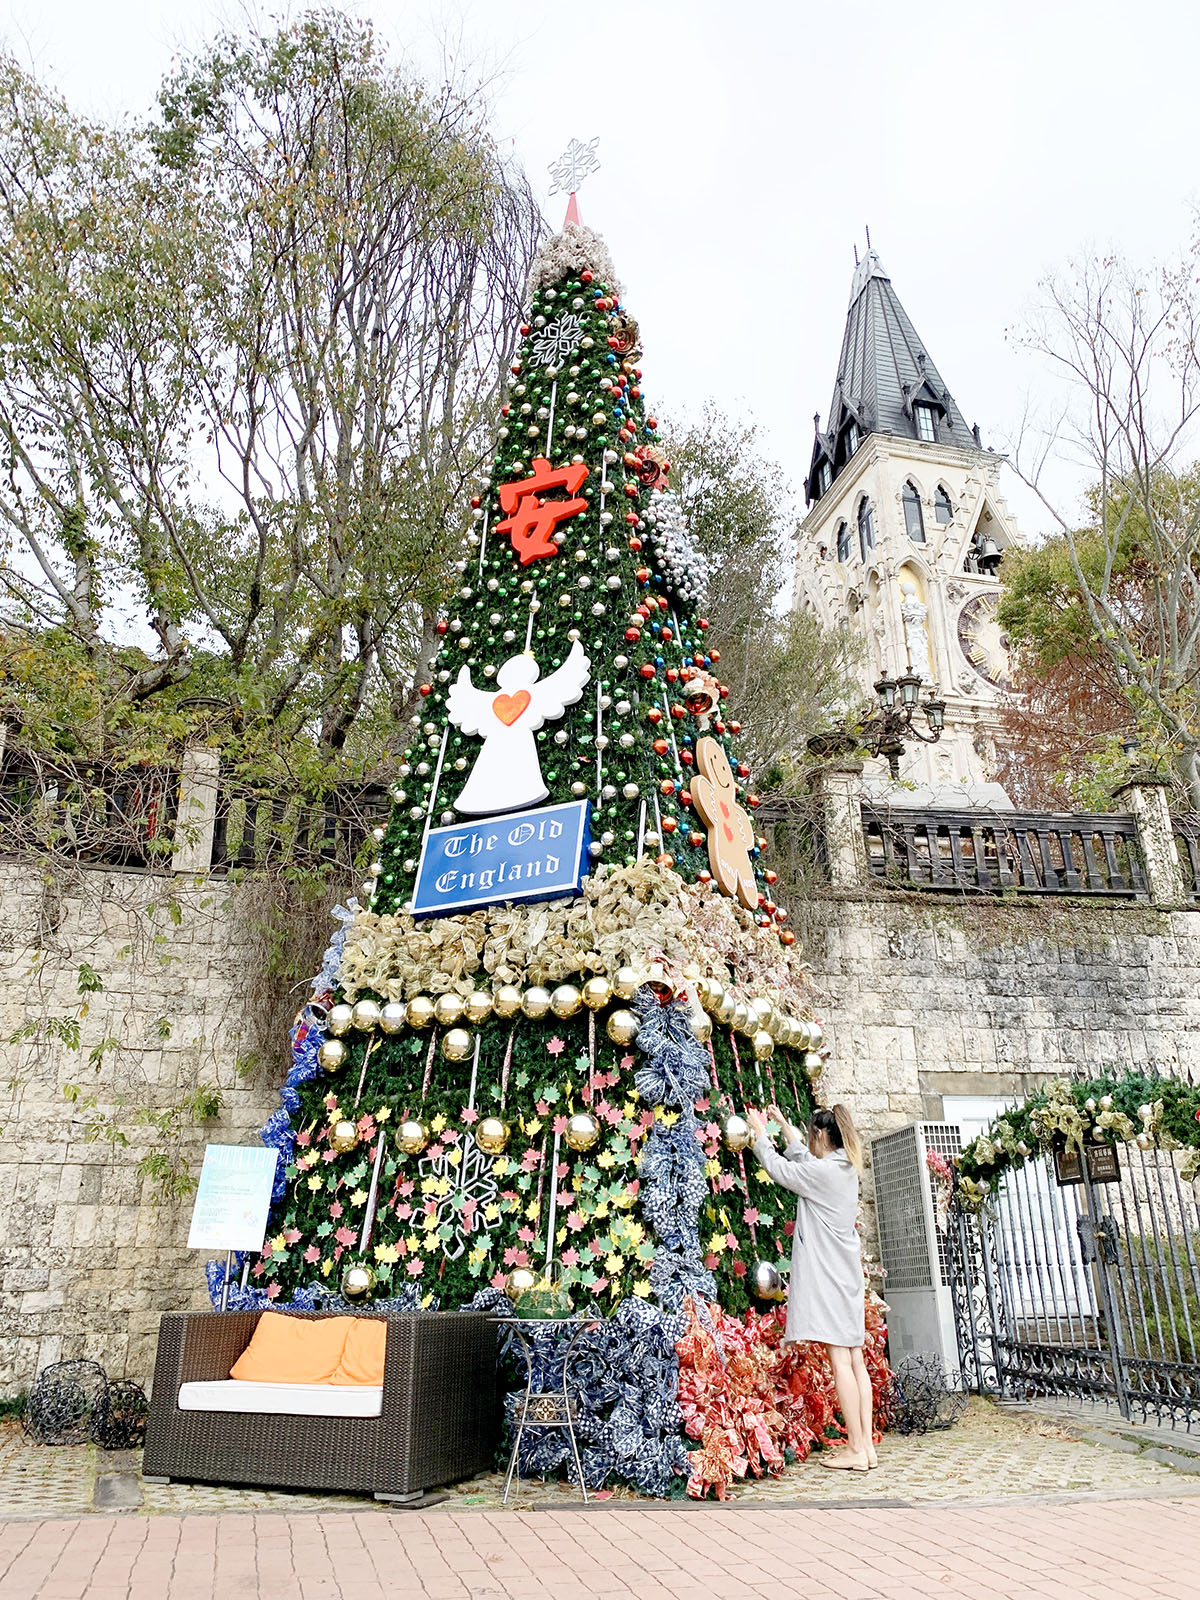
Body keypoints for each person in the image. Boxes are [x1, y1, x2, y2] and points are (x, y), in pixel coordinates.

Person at [744, 1102, 876, 1472]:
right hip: (846, 1278)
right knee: (855, 1358)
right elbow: (806, 1160)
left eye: (809, 1136)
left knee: (840, 1359)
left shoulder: (824, 1173)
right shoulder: (844, 1167)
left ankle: (853, 1449)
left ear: (820, 1136)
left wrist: (759, 1134)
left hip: (831, 1279)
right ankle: (866, 1446)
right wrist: (786, 1126)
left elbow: (782, 1169)